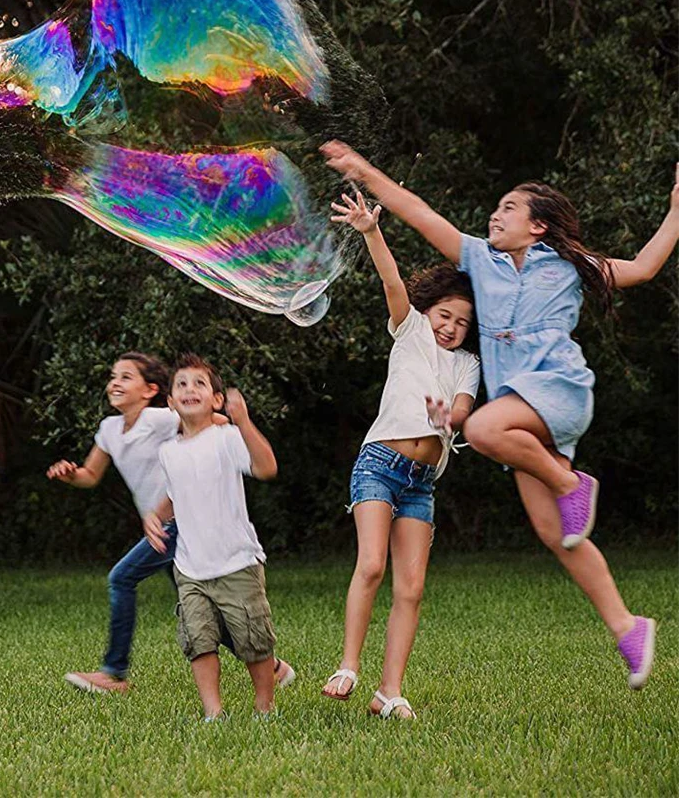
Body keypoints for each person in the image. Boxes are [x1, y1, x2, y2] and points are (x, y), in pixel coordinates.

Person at [323, 140, 679, 690]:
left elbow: (645, 268)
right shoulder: (478, 261)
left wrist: (677, 211)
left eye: (510, 207)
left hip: (558, 389)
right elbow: (417, 212)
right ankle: (627, 625)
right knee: (556, 532)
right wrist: (362, 171)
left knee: (482, 427)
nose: (497, 212)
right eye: (498, 206)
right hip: (523, 411)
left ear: (538, 226)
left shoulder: (569, 265)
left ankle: (570, 480)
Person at [321, 190, 480, 718]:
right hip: (378, 467)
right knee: (370, 566)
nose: (450, 326)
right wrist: (371, 230)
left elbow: (459, 412)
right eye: (444, 314)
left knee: (410, 587)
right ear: (428, 309)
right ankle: (347, 665)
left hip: (421, 481)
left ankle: (389, 692)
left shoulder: (468, 365)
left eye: (461, 322)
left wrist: (445, 420)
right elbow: (391, 281)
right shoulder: (409, 331)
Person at [50, 353, 295, 693]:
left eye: (126, 377)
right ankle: (272, 666)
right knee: (201, 607)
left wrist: (236, 424)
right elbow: (90, 475)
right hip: (161, 525)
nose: (115, 383)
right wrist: (70, 474)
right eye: (113, 376)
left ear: (150, 390)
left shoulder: (162, 418)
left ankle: (113, 673)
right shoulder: (109, 429)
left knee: (121, 578)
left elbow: (211, 421)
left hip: (183, 522)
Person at [144, 355, 280, 720]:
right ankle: (213, 713)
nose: (190, 389)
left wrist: (245, 422)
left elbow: (267, 467)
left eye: (199, 384)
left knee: (253, 640)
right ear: (171, 402)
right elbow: (176, 493)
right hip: (189, 567)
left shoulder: (227, 438)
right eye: (182, 384)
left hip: (237, 561)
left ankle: (265, 706)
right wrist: (154, 517)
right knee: (198, 639)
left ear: (216, 400)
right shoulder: (169, 451)